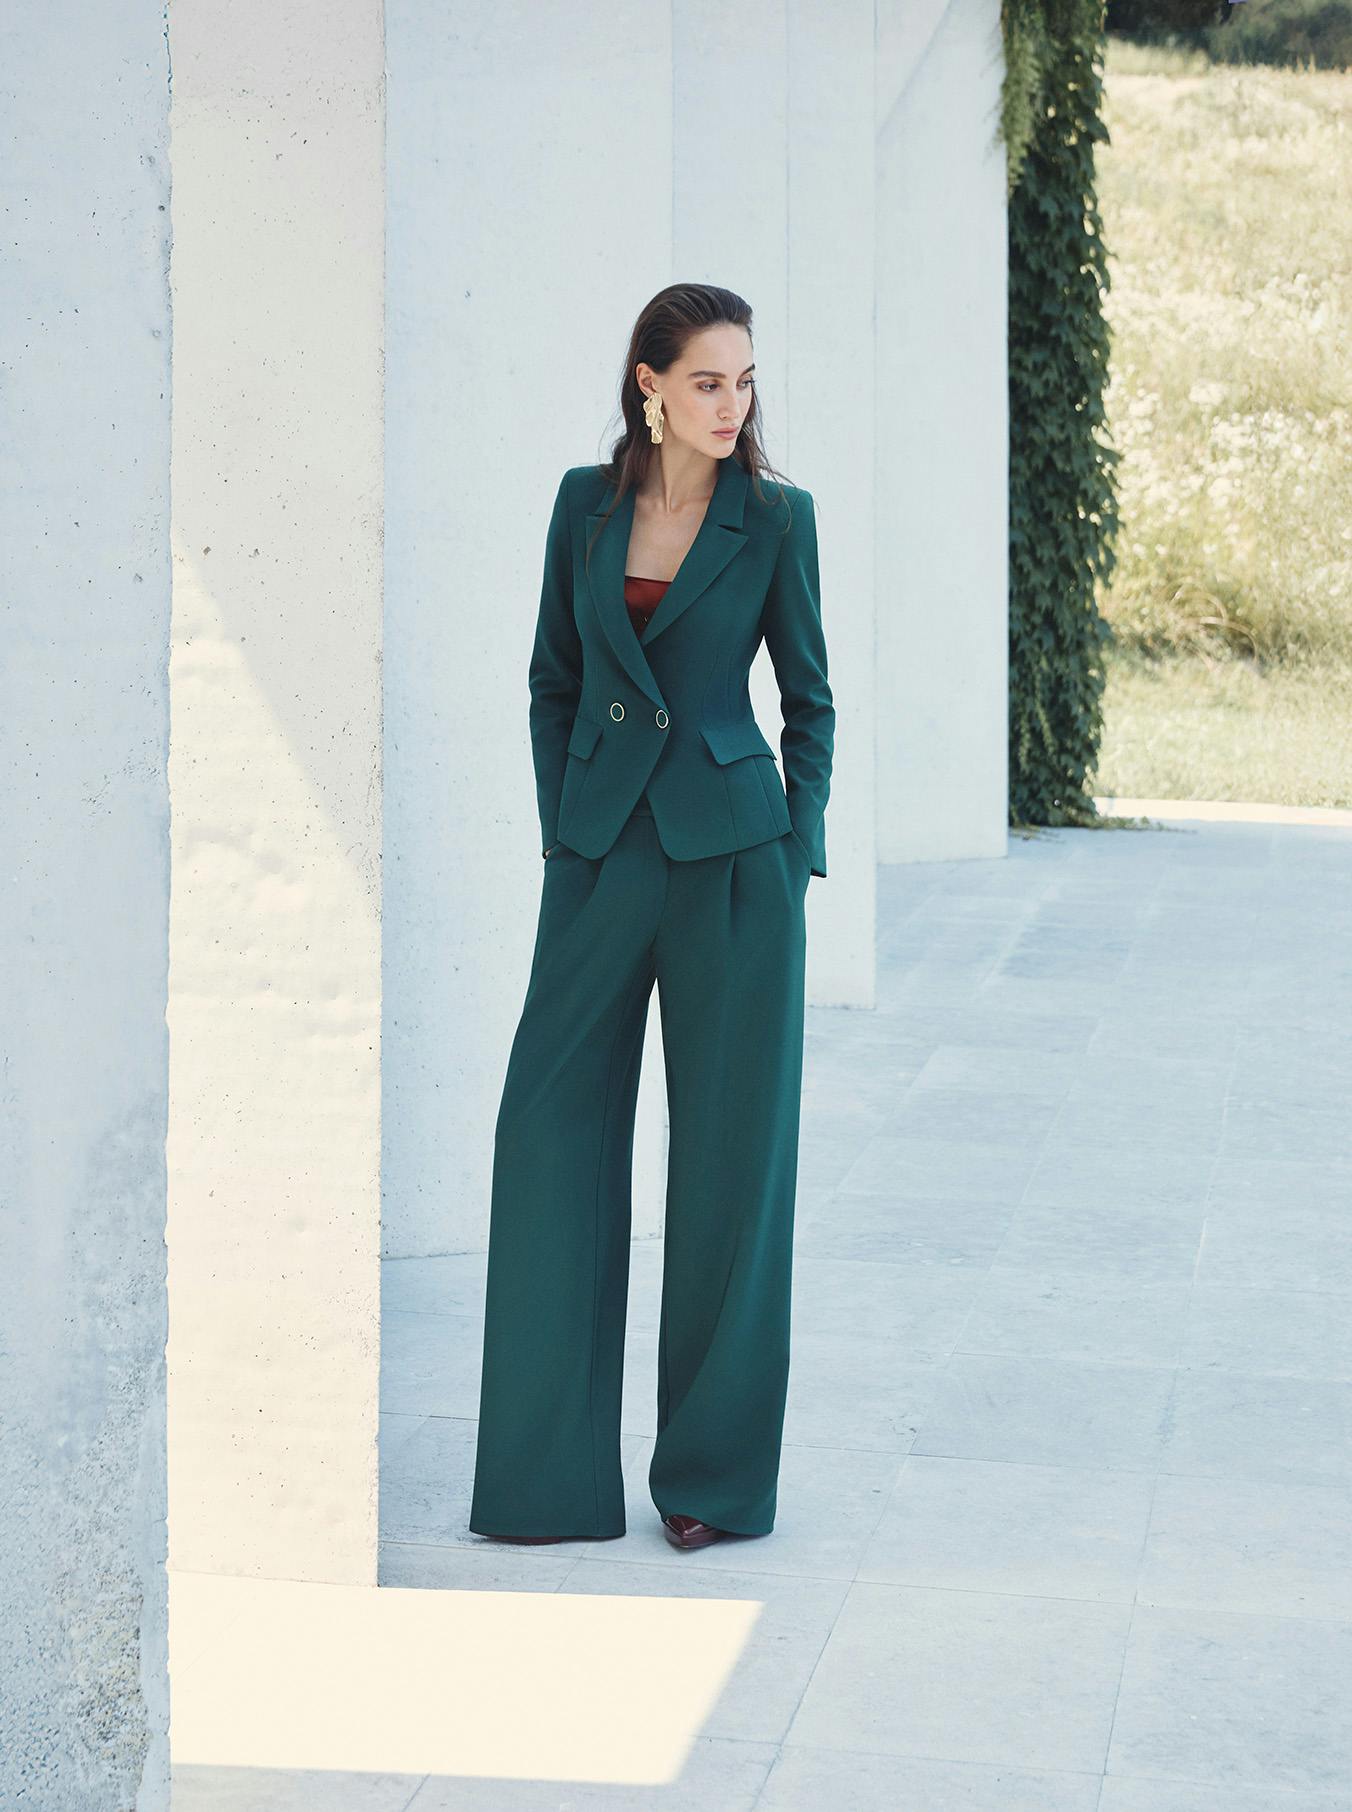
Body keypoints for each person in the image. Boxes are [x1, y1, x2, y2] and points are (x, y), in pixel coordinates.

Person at [468, 282, 834, 1552]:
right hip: (598, 858)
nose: (729, 404)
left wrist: (795, 856)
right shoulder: (583, 503)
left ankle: (709, 1483)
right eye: (704, 382)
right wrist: (564, 831)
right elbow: (549, 682)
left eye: (741, 380)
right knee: (548, 1142)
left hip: (736, 864)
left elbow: (811, 702)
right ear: (649, 384)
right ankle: (541, 1481)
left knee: (732, 1170)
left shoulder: (777, 522)